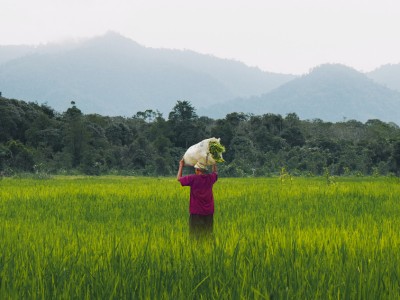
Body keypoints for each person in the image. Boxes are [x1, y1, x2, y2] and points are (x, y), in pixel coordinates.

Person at [177, 159, 218, 239]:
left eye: (196, 169)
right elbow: (215, 173)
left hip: (196, 212)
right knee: (208, 235)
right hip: (209, 212)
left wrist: (181, 165)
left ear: (197, 170)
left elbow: (179, 178)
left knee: (195, 236)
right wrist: (214, 163)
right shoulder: (210, 178)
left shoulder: (193, 178)